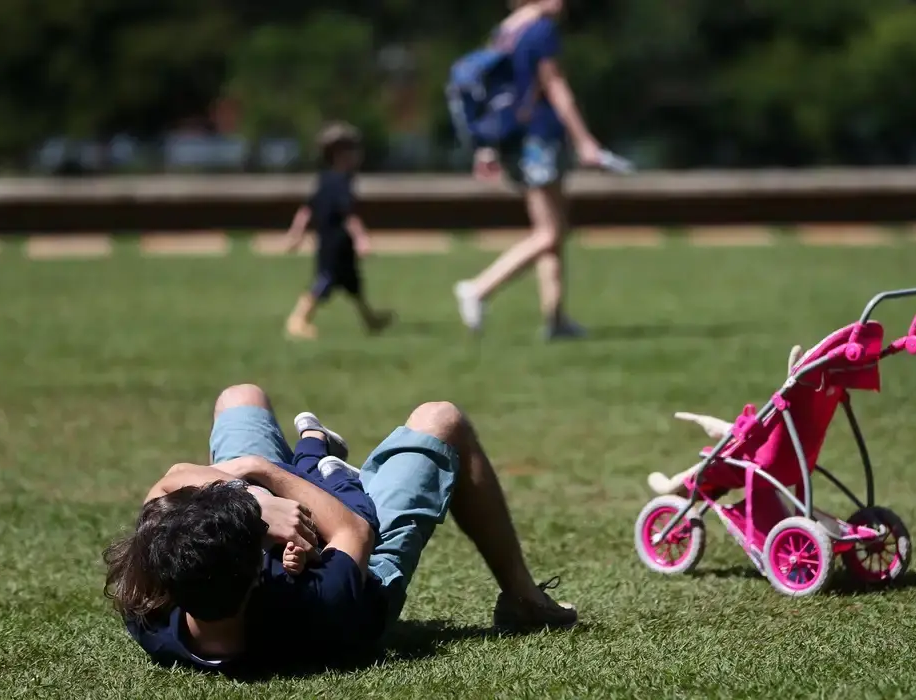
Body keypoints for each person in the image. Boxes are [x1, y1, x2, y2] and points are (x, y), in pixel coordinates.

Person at [103, 384, 576, 674]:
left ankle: (307, 461)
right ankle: (524, 600)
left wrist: (253, 499)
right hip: (360, 561)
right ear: (256, 571)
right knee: (442, 418)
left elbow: (168, 482)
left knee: (240, 397)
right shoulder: (318, 603)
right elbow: (352, 530)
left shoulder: (150, 606)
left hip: (248, 550)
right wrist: (261, 475)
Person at [452, 0, 606, 341]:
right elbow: (555, 85)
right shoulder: (541, 30)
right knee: (549, 233)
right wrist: (584, 141)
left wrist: (486, 147)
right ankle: (478, 288)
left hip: (515, 140)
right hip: (540, 137)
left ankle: (556, 319)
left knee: (551, 229)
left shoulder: (506, 30)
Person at [282, 123, 392, 340]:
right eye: (353, 151)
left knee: (353, 284)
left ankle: (371, 320)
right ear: (340, 155)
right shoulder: (341, 182)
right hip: (335, 243)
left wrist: (296, 234)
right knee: (324, 282)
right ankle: (297, 319)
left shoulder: (325, 179)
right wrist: (361, 239)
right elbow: (348, 215)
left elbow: (306, 209)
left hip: (335, 243)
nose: (358, 155)